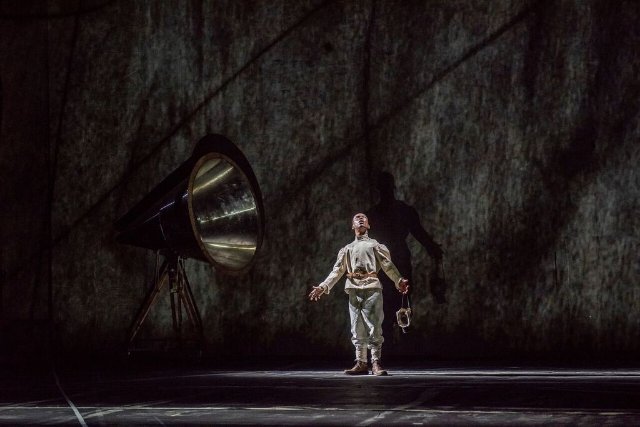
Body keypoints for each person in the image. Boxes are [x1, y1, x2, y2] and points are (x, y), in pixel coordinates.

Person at [308, 213, 409, 376]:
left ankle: (375, 362)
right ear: (352, 226)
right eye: (357, 217)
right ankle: (361, 362)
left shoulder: (374, 245)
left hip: (372, 288)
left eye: (364, 218)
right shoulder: (347, 249)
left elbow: (387, 265)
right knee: (356, 327)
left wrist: (398, 280)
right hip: (354, 290)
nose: (360, 218)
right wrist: (323, 286)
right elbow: (337, 271)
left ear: (368, 225)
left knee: (374, 326)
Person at [366, 172, 444, 348]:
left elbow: (418, 232)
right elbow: (419, 233)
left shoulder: (377, 214)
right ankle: (399, 342)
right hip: (392, 262)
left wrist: (432, 247)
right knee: (395, 302)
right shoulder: (399, 211)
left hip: (388, 263)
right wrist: (432, 248)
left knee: (394, 303)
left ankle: (396, 342)